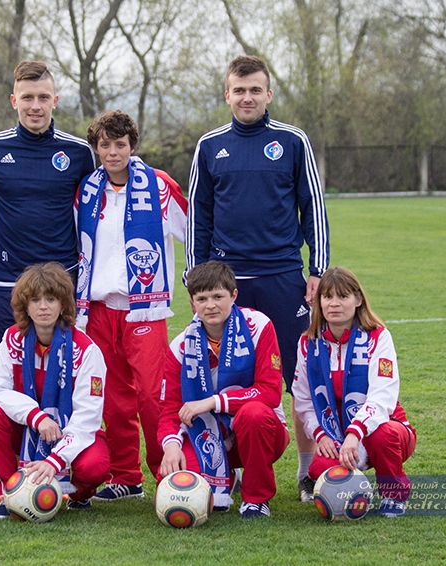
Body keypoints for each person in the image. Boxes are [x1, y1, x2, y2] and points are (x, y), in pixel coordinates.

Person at [186, 55, 330, 502]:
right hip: (228, 282)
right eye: (238, 90)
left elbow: (314, 205)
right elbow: (199, 214)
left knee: (295, 376)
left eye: (255, 90)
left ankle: (307, 473)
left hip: (284, 277)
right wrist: (195, 275)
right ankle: (226, 470)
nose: (246, 97)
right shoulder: (210, 145)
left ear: (268, 94)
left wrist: (318, 270)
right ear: (226, 94)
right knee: (223, 381)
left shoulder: (291, 140)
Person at [74, 110, 187, 501]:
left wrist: (198, 280)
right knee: (111, 396)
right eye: (104, 144)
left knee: (152, 396)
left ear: (132, 146)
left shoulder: (158, 185)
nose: (112, 151)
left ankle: (166, 474)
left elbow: (195, 231)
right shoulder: (86, 189)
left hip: (145, 308)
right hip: (97, 308)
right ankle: (126, 476)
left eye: (119, 144)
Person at [0, 61, 95, 365]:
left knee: (64, 370)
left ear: (55, 100)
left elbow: (93, 221)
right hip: (7, 282)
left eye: (43, 97)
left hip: (62, 280)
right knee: (7, 370)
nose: (35, 106)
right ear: (14, 101)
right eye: (27, 97)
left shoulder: (79, 153)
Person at [0, 262, 111, 520]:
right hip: (30, 427)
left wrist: (55, 461)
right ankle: (9, 492)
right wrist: (36, 417)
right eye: (35, 300)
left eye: (51, 299)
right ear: (25, 306)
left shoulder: (87, 350)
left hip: (70, 432)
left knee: (95, 466)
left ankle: (79, 495)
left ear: (64, 304)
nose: (43, 306)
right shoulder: (11, 339)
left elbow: (88, 417)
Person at [157, 261, 290, 518]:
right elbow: (169, 409)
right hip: (206, 435)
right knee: (182, 484)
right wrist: (171, 445)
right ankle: (225, 476)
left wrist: (213, 402)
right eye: (202, 298)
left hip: (261, 432)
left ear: (234, 296)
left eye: (218, 296)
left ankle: (255, 499)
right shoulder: (181, 346)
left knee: (253, 414)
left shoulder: (259, 326)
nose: (210, 305)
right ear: (192, 302)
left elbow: (270, 392)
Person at [292, 267, 416, 517]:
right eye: (327, 297)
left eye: (343, 296)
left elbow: (383, 396)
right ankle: (356, 487)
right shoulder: (308, 343)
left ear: (358, 300)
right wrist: (321, 436)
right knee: (319, 468)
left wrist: (354, 433)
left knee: (384, 435)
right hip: (334, 434)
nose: (334, 304)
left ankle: (393, 495)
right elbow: (303, 399)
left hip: (384, 430)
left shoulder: (378, 337)